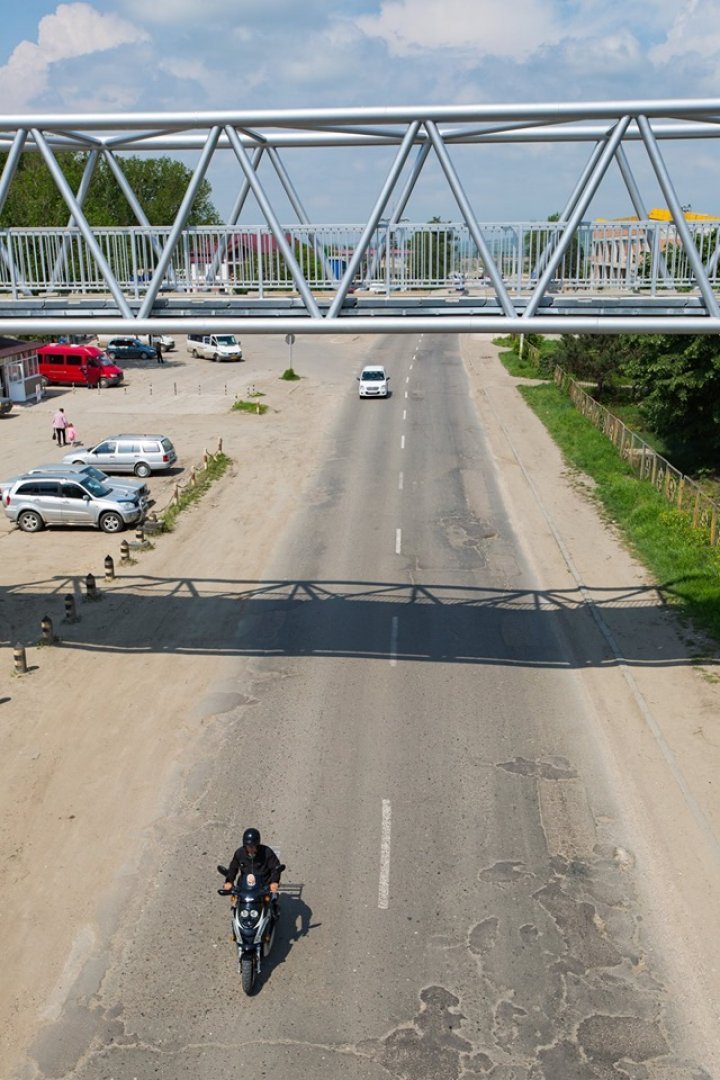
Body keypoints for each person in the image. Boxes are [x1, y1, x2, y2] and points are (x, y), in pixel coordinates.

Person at [223, 828, 281, 905]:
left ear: (257, 844)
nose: (251, 849)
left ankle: (273, 911)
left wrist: (274, 882)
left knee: (273, 900)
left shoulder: (267, 852)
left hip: (264, 885)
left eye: (253, 846)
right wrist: (229, 881)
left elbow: (275, 867)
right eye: (248, 846)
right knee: (235, 902)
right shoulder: (239, 853)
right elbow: (233, 868)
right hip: (245, 886)